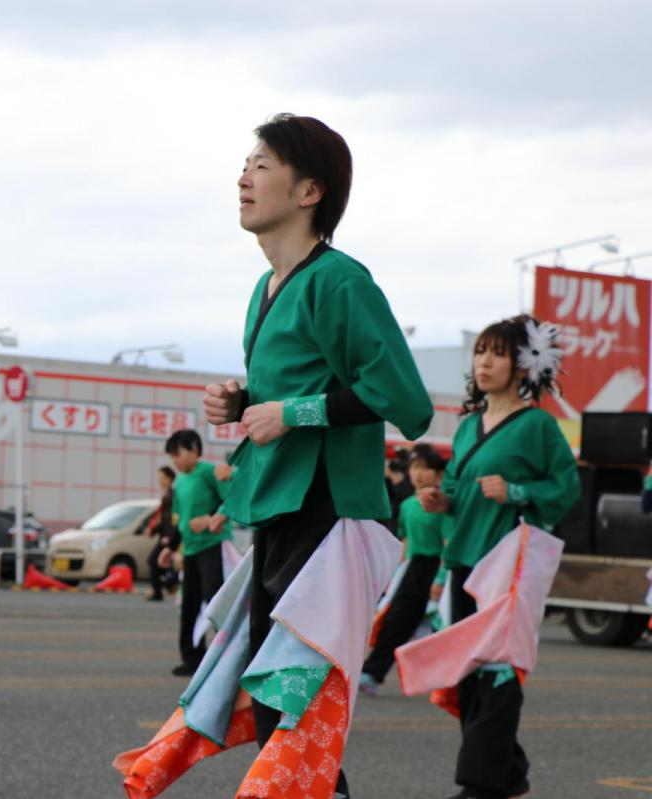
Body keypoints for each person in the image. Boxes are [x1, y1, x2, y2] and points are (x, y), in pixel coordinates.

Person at [204, 113, 433, 796]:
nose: (244, 175)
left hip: (328, 513)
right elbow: (303, 388)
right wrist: (244, 398)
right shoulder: (266, 287)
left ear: (310, 191)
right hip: (279, 506)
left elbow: (407, 401)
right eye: (246, 161)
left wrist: (292, 413)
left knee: (297, 701)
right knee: (282, 704)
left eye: (263, 163)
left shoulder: (339, 280)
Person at [418, 315, 580, 799]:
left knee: (497, 669)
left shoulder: (538, 426)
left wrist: (516, 491)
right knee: (468, 670)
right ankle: (508, 771)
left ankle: (482, 784)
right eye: (480, 352)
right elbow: (456, 488)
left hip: (507, 564)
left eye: (498, 353)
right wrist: (441, 500)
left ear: (524, 363)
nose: (484, 362)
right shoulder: (468, 427)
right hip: (463, 559)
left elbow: (565, 488)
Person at [360, 444, 450, 694]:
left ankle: (445, 680)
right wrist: (393, 574)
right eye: (414, 468)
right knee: (396, 621)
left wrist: (441, 579)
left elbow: (447, 542)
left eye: (425, 468)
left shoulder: (442, 504)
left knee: (439, 626)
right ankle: (371, 673)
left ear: (437, 473)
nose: (418, 474)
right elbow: (406, 540)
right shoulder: (409, 504)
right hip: (412, 568)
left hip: (438, 567)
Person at [161, 430, 230, 676]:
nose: (175, 461)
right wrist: (169, 547)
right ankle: (192, 659)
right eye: (172, 457)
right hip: (190, 550)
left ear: (193, 449)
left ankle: (230, 657)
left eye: (177, 454)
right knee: (188, 605)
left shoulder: (210, 472)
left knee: (218, 603)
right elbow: (179, 520)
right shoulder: (179, 482)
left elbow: (230, 501)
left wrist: (211, 519)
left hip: (213, 546)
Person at [144, 465, 177, 601]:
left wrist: (169, 536)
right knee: (158, 562)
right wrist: (154, 529)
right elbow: (163, 518)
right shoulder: (167, 494)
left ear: (169, 478)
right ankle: (163, 587)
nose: (160, 481)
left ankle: (164, 587)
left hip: (168, 536)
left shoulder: (173, 495)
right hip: (164, 535)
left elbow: (172, 518)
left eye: (162, 478)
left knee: (154, 560)